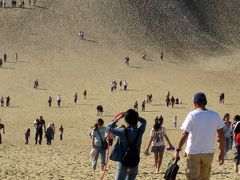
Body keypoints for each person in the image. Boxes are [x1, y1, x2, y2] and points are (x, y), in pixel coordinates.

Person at [174, 92, 225, 180]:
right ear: (205, 102)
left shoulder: (192, 115)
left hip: (193, 153)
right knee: (205, 178)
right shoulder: (215, 115)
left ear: (195, 103)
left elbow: (184, 133)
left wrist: (178, 149)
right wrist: (222, 152)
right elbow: (221, 135)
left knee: (193, 178)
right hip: (208, 153)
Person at [107, 109, 147, 180]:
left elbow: (109, 127)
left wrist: (118, 118)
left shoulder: (122, 131)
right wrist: (136, 117)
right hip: (135, 161)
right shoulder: (140, 131)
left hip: (123, 161)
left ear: (126, 121)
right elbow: (144, 122)